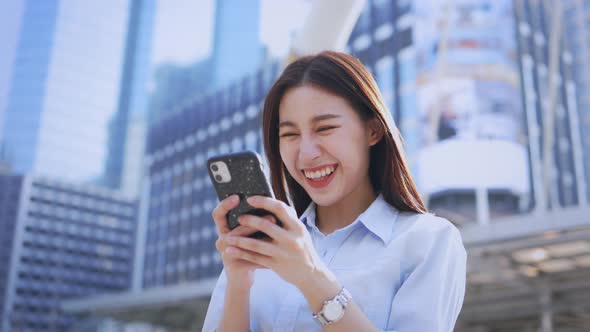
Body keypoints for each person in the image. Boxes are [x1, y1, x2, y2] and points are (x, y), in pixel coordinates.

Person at [202, 51, 466, 331]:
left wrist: (311, 276)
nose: (306, 154)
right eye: (290, 134)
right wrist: (238, 284)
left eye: (325, 128)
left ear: (373, 131)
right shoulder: (261, 248)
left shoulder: (428, 241)